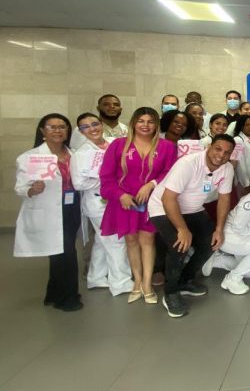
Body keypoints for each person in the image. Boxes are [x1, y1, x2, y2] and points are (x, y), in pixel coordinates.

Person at [148, 134, 235, 317]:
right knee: (179, 246)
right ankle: (170, 293)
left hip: (193, 209)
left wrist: (219, 229)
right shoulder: (188, 163)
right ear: (210, 146)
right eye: (218, 149)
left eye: (227, 152)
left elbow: (224, 198)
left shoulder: (226, 169)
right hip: (162, 208)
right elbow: (168, 198)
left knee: (211, 242)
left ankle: (185, 280)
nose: (221, 155)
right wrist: (182, 229)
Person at [100, 107, 176, 304]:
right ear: (134, 123)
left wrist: (151, 185)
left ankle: (148, 283)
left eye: (150, 121)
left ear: (156, 125)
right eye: (141, 121)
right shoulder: (118, 145)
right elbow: (106, 178)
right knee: (131, 241)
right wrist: (120, 195)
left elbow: (170, 172)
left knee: (148, 240)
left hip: (151, 202)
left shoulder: (166, 146)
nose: (145, 125)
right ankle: (137, 280)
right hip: (125, 203)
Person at [14, 114, 84, 311]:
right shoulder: (29, 157)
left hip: (72, 207)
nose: (58, 130)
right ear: (42, 131)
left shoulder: (75, 154)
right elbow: (20, 187)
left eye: (62, 127)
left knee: (60, 252)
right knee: (67, 253)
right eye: (52, 127)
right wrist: (32, 190)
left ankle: (53, 293)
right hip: (49, 210)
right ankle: (69, 298)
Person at [71, 113, 133, 296]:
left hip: (118, 199)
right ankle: (121, 282)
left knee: (101, 240)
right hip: (98, 202)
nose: (92, 129)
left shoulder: (114, 142)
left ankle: (96, 277)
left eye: (95, 124)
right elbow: (78, 184)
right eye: (86, 127)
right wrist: (104, 180)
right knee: (116, 240)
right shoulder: (80, 154)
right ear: (81, 132)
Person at [204, 167, 250, 295]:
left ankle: (216, 260)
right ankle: (232, 278)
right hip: (230, 236)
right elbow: (237, 227)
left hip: (242, 236)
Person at [233, 115, 250, 188]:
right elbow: (239, 165)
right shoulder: (238, 140)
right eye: (247, 125)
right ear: (241, 126)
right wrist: (246, 184)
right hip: (246, 183)